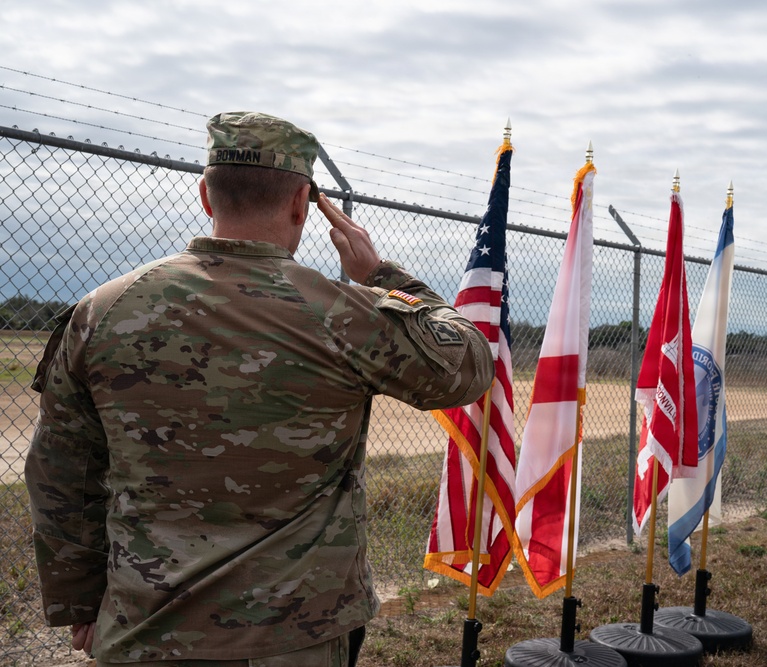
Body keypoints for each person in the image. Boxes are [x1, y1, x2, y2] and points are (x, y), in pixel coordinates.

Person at [25, 111, 494, 667]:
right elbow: (467, 363)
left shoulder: (101, 311)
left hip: (144, 628)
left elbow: (61, 468)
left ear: (206, 194)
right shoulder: (344, 314)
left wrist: (78, 600)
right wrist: (383, 278)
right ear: (302, 203)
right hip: (295, 636)